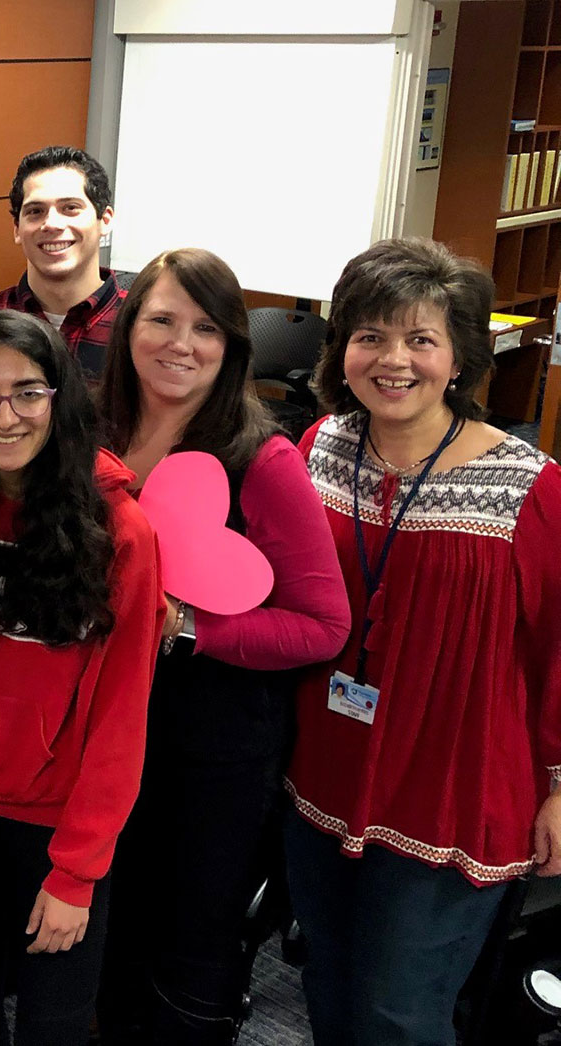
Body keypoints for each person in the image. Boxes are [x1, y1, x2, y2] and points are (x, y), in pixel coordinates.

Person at [283, 237, 561, 1046]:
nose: (393, 359)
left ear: (460, 355)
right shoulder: (318, 450)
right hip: (323, 775)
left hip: (454, 785)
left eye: (420, 338)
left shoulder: (528, 486)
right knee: (327, 987)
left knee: (398, 1014)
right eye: (370, 335)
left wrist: (559, 786)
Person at [92, 249, 349, 1045]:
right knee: (110, 925)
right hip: (107, 726)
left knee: (190, 942)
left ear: (232, 345)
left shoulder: (262, 459)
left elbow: (322, 624)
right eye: (161, 319)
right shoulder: (92, 433)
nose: (181, 343)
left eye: (205, 328)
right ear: (130, 327)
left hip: (213, 745)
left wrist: (195, 628)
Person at [0, 309, 165, 1046]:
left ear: (60, 399)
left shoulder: (120, 531)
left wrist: (76, 872)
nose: (5, 415)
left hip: (56, 826)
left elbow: (122, 717)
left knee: (53, 1024)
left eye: (28, 392)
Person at [0, 146, 122, 380]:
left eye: (70, 208)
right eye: (35, 211)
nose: (51, 224)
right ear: (17, 230)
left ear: (105, 220)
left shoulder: (141, 321)